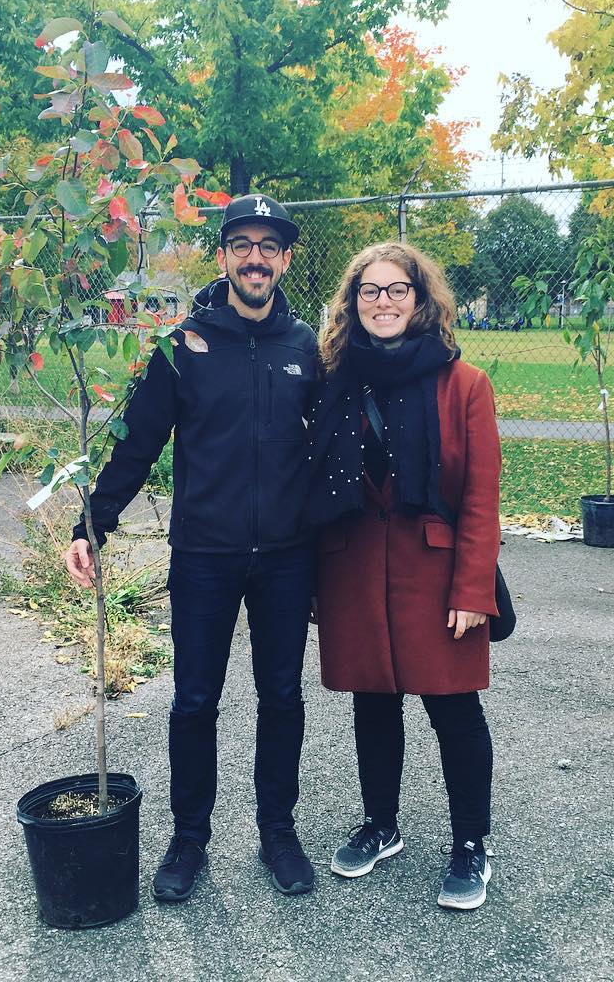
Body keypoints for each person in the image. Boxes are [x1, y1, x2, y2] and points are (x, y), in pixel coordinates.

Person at [64, 194, 318, 902]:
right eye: (243, 244)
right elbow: (137, 445)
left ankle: (279, 831)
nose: (256, 257)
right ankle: (189, 839)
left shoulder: (306, 349)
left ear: (286, 260)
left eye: (270, 245)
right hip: (205, 554)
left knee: (283, 696)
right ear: (224, 257)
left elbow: (332, 454)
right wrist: (92, 524)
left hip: (288, 558)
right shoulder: (181, 347)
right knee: (194, 702)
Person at [306, 241, 502, 911]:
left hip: (438, 571)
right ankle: (381, 825)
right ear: (352, 303)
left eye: (397, 290)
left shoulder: (464, 384)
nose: (382, 302)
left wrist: (473, 589)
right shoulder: (335, 380)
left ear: (420, 301)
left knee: (454, 710)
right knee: (373, 700)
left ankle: (471, 844)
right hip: (355, 568)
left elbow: (481, 497)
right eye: (370, 291)